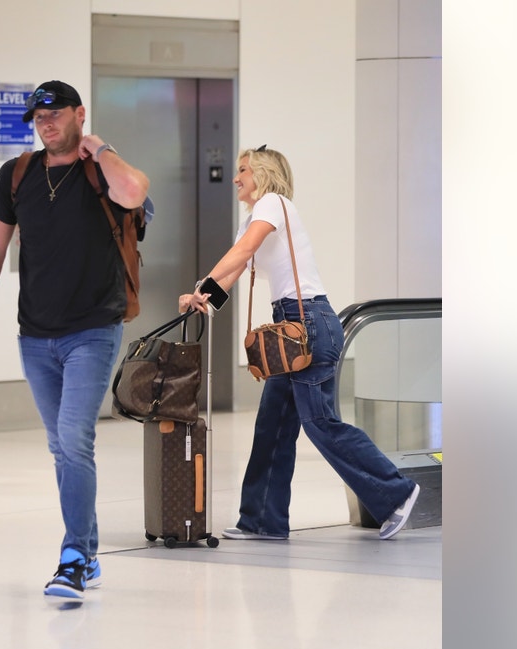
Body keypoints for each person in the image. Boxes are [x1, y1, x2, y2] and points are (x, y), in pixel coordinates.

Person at [0, 80, 150, 600]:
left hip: (93, 328)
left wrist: (102, 149)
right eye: (39, 118)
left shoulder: (98, 170)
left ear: (78, 114)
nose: (46, 124)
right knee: (61, 447)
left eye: (56, 114)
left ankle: (72, 559)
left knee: (72, 440)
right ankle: (87, 553)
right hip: (36, 335)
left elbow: (135, 193)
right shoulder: (16, 175)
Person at [179, 145, 420, 541]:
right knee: (273, 425)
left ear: (264, 173)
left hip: (308, 323)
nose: (236, 178)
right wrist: (202, 298)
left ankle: (397, 492)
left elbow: (243, 251)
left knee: (320, 422)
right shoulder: (254, 217)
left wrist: (202, 285)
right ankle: (261, 521)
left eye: (243, 170)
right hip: (289, 329)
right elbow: (238, 266)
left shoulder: (273, 202)